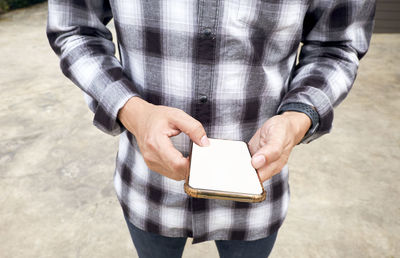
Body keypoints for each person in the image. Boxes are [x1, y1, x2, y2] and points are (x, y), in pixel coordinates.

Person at [46, 0, 375, 257]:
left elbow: (337, 45)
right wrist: (133, 111)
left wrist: (297, 117)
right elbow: (75, 28)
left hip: (256, 192)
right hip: (149, 186)